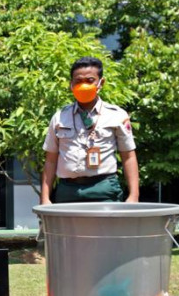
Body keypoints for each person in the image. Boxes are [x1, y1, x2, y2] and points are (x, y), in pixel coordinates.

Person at [40, 56, 139, 204]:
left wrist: (134, 196)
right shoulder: (60, 117)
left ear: (101, 82)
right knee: (66, 228)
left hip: (104, 188)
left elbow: (128, 156)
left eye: (89, 80)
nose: (83, 85)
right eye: (78, 81)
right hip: (68, 190)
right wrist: (45, 198)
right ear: (71, 84)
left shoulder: (117, 115)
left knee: (107, 228)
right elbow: (51, 160)